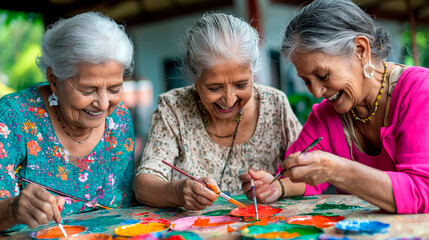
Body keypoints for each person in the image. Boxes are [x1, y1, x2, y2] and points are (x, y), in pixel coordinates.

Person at [240, 0, 429, 214]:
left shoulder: (419, 91)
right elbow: (302, 175)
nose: (317, 93)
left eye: (323, 76)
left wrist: (337, 171)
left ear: (360, 50)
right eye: (307, 81)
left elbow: (421, 192)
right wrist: (276, 186)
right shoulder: (326, 116)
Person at [133, 13, 302, 211]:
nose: (229, 100)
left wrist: (279, 186)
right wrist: (178, 192)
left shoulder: (275, 104)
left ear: (252, 71)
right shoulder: (174, 107)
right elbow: (143, 186)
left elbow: (311, 177)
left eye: (241, 84)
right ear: (192, 69)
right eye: (214, 88)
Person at [0, 12, 135, 230]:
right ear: (54, 80)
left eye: (114, 89)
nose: (102, 104)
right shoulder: (12, 117)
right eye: (87, 90)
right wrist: (13, 209)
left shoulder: (118, 118)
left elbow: (124, 207)